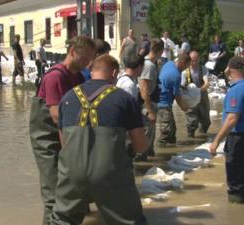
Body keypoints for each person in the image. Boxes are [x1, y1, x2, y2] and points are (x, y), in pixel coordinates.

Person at [50, 54, 148, 225]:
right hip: (109, 174)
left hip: (71, 173)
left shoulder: (67, 98)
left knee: (62, 220)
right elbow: (140, 146)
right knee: (128, 220)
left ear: (91, 71)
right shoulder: (124, 99)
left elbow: (64, 143)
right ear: (115, 73)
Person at [29, 36, 96, 225]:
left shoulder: (78, 76)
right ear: (72, 52)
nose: (87, 63)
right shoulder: (55, 76)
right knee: (54, 194)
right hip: (47, 140)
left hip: (67, 137)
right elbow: (57, 115)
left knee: (74, 190)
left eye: (90, 59)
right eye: (84, 59)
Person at [209, 56, 244, 203]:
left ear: (230, 70)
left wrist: (216, 141)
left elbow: (232, 118)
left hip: (238, 136)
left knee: (234, 168)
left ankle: (237, 202)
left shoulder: (236, 91)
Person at [136, 38, 164, 161]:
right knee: (146, 137)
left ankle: (149, 159)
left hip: (151, 102)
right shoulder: (148, 66)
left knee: (150, 137)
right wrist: (150, 111)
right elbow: (144, 90)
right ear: (161, 51)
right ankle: (141, 166)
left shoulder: (152, 64)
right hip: (147, 105)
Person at [157, 53, 190, 147]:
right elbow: (177, 97)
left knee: (172, 130)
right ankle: (161, 155)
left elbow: (168, 81)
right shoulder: (176, 75)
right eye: (187, 66)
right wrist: (184, 108)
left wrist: (180, 86)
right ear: (183, 63)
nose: (186, 68)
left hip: (159, 99)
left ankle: (172, 153)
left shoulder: (169, 64)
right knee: (165, 131)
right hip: (163, 103)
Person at [181, 51, 211, 138]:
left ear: (199, 59)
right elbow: (182, 86)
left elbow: (207, 83)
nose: (194, 62)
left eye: (196, 60)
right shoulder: (184, 72)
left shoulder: (203, 69)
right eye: (192, 60)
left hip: (202, 95)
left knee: (206, 121)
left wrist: (198, 90)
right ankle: (191, 139)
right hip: (190, 97)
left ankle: (202, 137)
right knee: (192, 121)